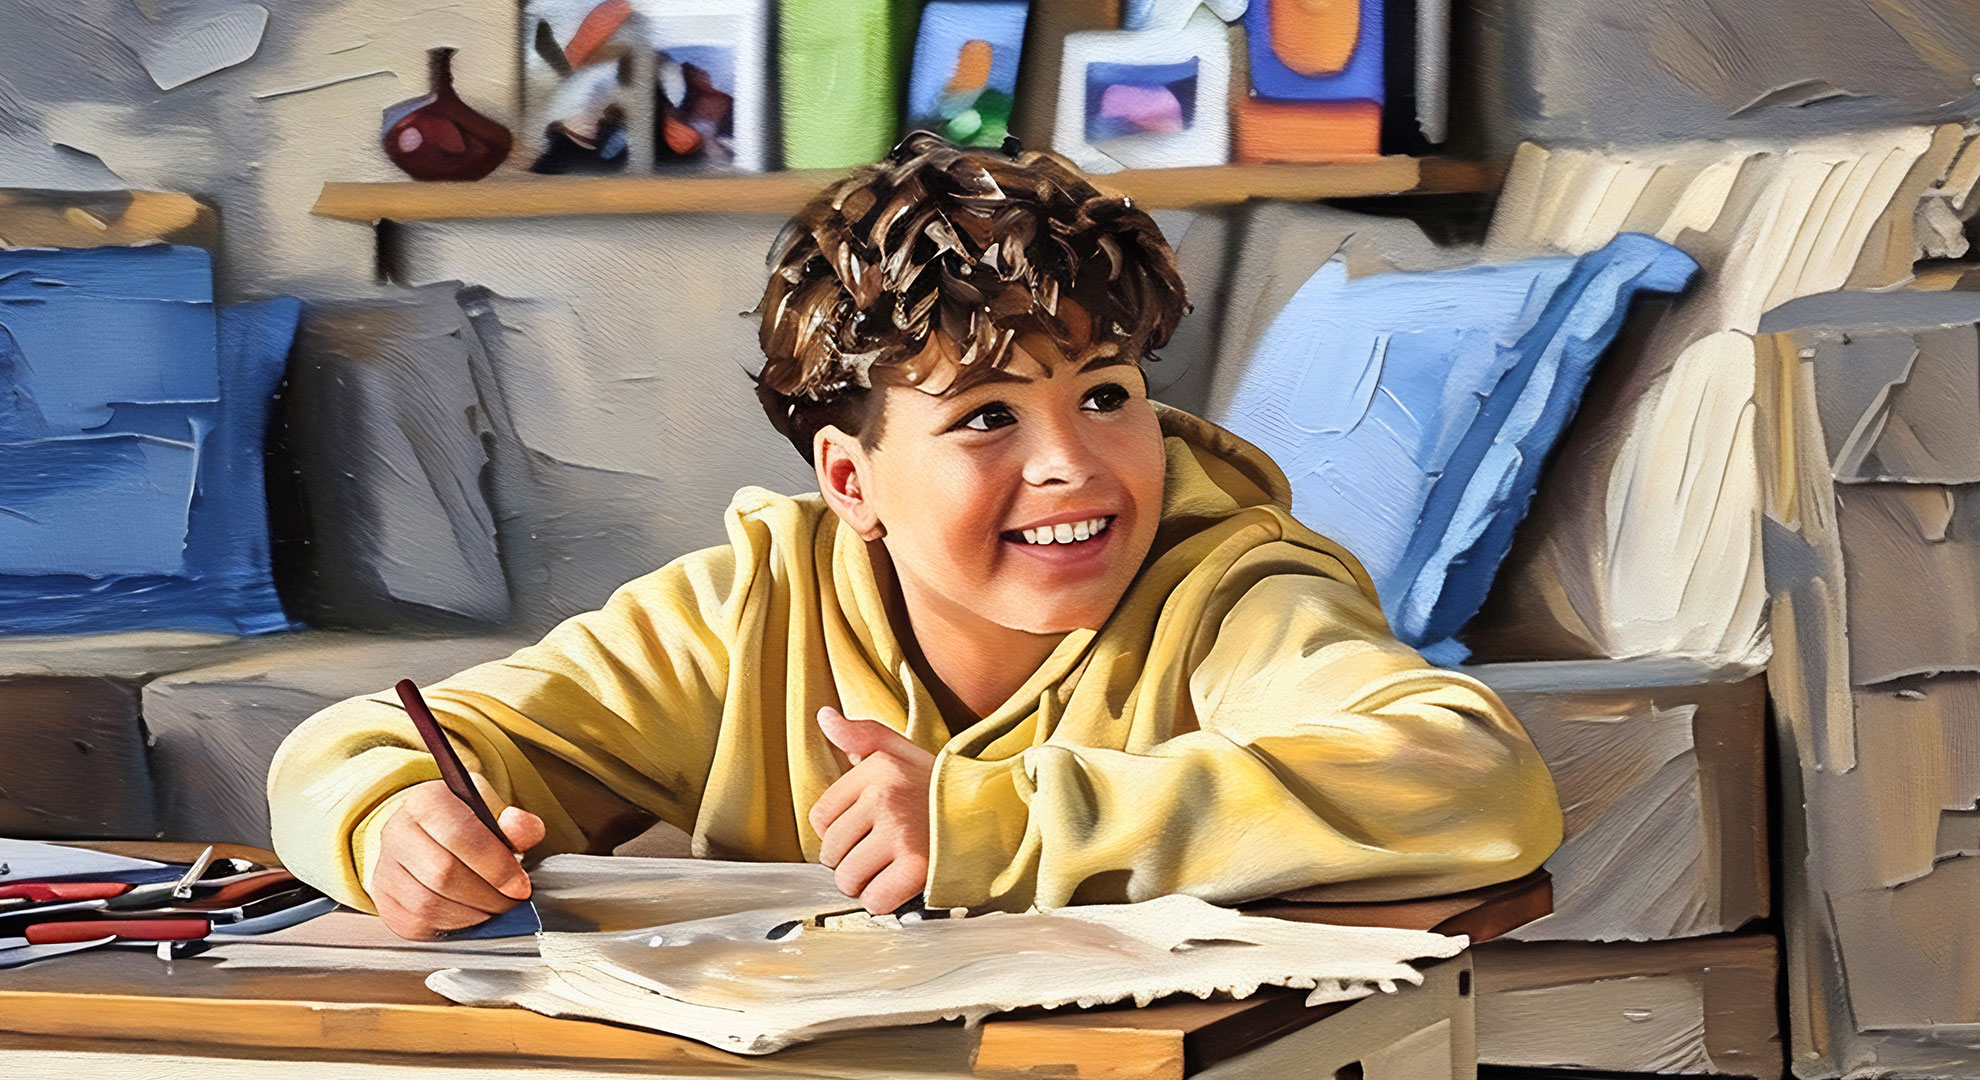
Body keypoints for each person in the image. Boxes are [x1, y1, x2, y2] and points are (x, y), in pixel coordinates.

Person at [267, 133, 1563, 940]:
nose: (1074, 461)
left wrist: (992, 825)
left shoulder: (1231, 593)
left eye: (1106, 394)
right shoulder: (749, 614)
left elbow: (1472, 779)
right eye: (988, 416)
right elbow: (369, 743)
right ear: (851, 478)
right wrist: (395, 822)